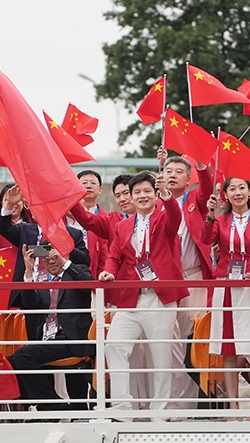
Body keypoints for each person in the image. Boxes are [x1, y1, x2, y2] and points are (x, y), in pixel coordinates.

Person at [98, 172, 188, 421]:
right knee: (114, 345)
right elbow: (114, 256)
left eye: (147, 191)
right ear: (130, 196)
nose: (141, 196)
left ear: (155, 193)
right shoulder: (122, 226)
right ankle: (122, 409)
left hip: (159, 297)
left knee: (160, 355)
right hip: (130, 298)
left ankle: (159, 412)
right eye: (136, 192)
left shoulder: (165, 218)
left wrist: (168, 197)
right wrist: (107, 271)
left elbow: (176, 216)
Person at [203, 177, 250, 416]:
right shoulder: (220, 220)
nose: (237, 192)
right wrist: (210, 216)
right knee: (229, 349)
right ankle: (233, 406)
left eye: (241, 187)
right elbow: (206, 239)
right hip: (226, 285)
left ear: (249, 192)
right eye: (232, 188)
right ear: (225, 194)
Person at [8, 244, 94, 412]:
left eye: (55, 257)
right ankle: (48, 406)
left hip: (73, 338)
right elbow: (30, 305)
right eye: (46, 259)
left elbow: (88, 284)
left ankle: (52, 405)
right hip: (49, 338)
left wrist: (65, 263)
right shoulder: (41, 278)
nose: (51, 261)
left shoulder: (76, 272)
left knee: (23, 356)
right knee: (13, 361)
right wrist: (28, 273)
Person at [158, 150, 214, 408]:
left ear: (189, 177)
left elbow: (207, 188)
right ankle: (172, 402)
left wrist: (202, 166)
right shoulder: (156, 202)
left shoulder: (195, 200)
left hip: (193, 279)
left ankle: (195, 403)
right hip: (165, 283)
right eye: (168, 171)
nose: (172, 175)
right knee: (169, 343)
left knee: (193, 342)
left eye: (179, 171)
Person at [0, 184, 89, 339]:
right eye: (36, 207)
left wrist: (65, 247)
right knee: (34, 339)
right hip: (34, 295)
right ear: (30, 210)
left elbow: (85, 260)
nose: (42, 211)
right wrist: (9, 205)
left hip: (62, 295)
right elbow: (3, 228)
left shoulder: (73, 234)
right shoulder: (25, 230)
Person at [65, 170, 109, 279]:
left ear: (100, 190)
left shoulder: (106, 219)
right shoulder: (65, 217)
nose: (88, 186)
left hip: (96, 277)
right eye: (84, 183)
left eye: (93, 183)